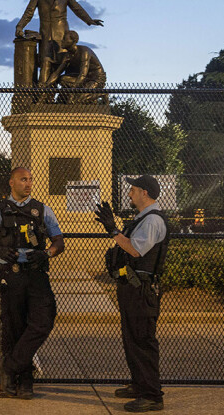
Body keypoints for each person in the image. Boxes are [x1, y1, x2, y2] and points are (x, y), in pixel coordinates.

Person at [0, 167, 64, 399]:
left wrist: (48, 253)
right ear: (12, 183)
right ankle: (22, 382)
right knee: (13, 327)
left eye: (30, 180)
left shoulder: (43, 210)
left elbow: (59, 242)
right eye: (23, 180)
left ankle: (9, 367)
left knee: (43, 321)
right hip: (11, 275)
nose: (28, 183)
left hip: (36, 274)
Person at [94, 175, 170, 412]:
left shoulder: (152, 221)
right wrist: (116, 228)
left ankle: (152, 395)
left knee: (142, 340)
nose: (129, 194)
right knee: (132, 339)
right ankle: (140, 385)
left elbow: (135, 250)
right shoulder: (142, 219)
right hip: (133, 287)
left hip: (141, 289)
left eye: (133, 190)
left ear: (145, 193)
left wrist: (112, 229)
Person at [15, 0, 103, 85]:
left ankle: (61, 94)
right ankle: (42, 93)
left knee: (61, 65)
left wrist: (89, 20)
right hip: (46, 36)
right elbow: (28, 13)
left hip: (62, 37)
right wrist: (20, 26)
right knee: (46, 62)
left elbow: (77, 8)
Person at [46, 30, 107, 104]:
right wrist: (46, 85)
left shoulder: (84, 52)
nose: (62, 41)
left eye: (64, 39)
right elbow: (57, 74)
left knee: (76, 101)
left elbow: (83, 74)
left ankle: (102, 93)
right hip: (83, 79)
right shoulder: (68, 55)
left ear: (73, 41)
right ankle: (84, 94)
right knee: (62, 79)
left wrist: (73, 92)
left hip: (96, 78)